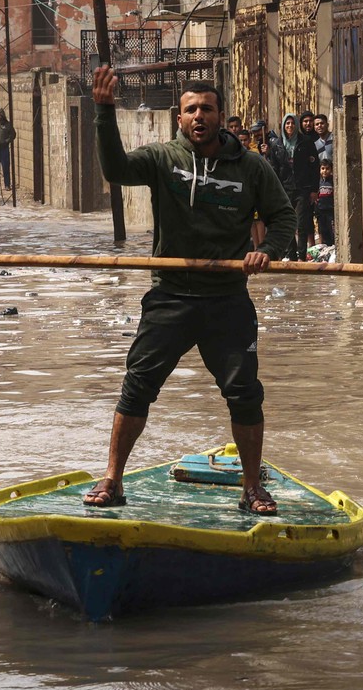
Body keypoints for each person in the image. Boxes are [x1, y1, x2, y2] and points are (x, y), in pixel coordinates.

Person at [84, 66, 296, 516]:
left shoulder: (251, 167)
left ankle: (252, 487)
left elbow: (284, 217)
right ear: (179, 119)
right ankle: (113, 480)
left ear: (222, 116)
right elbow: (116, 169)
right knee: (137, 387)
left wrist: (268, 251)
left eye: (208, 109)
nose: (199, 116)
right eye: (191, 110)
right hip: (171, 296)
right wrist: (104, 111)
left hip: (227, 299)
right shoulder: (163, 160)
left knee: (244, 392)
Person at [292, 111, 322, 258]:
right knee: (294, 221)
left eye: (311, 121)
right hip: (289, 189)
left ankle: (305, 252)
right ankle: (292, 253)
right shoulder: (284, 143)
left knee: (306, 220)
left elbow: (314, 167)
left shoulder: (308, 142)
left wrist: (314, 189)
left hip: (306, 188)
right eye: (305, 121)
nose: (308, 124)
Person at [315, 157, 335, 246]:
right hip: (320, 210)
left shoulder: (333, 181)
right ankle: (322, 245)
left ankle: (332, 244)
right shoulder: (318, 182)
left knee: (331, 229)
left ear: (331, 170)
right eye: (323, 168)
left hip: (330, 210)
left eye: (327, 169)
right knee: (322, 229)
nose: (325, 171)